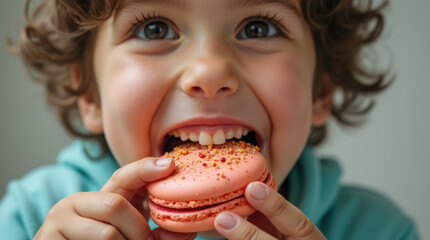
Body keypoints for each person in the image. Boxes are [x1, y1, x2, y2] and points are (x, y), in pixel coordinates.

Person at [0, 0, 419, 239]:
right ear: (90, 94)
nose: (210, 71)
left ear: (321, 89)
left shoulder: (378, 230)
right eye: (154, 29)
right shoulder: (30, 217)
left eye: (257, 28)